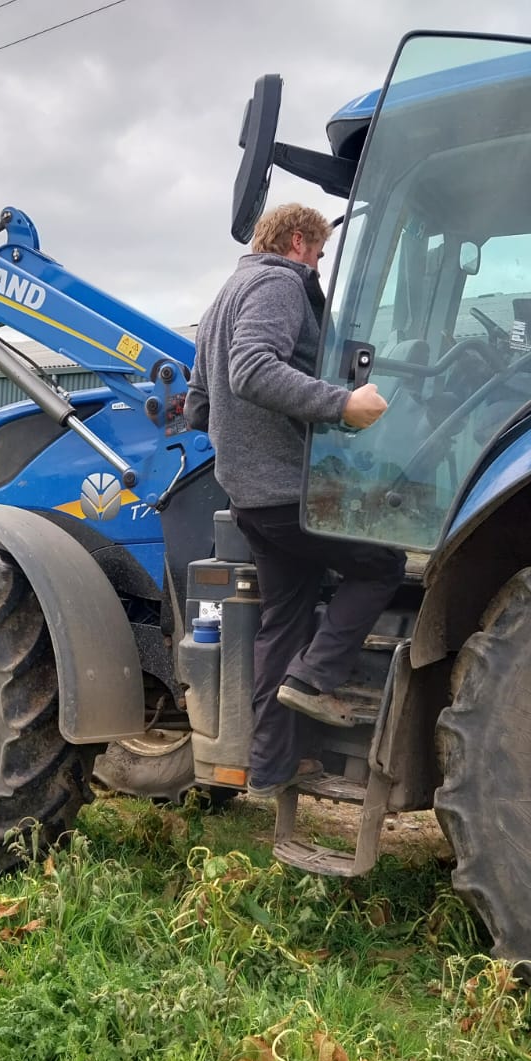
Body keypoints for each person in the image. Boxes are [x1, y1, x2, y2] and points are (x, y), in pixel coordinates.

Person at [187, 203, 405, 798]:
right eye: (320, 251)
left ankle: (271, 769)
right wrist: (342, 405)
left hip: (251, 497)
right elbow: (252, 370)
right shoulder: (279, 282)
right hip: (288, 493)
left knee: (280, 625)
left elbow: (199, 401)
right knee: (381, 566)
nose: (319, 263)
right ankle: (316, 678)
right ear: (299, 239)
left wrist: (239, 446)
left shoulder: (225, 294)